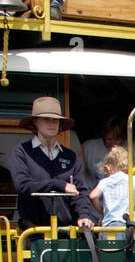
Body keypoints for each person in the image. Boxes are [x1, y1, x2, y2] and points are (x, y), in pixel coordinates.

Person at [9, 97, 96, 230]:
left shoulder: (70, 156)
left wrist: (84, 215)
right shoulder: (21, 152)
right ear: (35, 122)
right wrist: (59, 185)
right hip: (33, 232)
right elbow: (22, 185)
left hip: (68, 233)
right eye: (46, 119)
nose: (52, 123)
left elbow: (81, 191)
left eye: (55, 120)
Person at [88, 146, 132, 227]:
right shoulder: (132, 180)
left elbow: (93, 196)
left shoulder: (105, 181)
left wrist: (101, 211)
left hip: (107, 224)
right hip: (125, 223)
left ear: (107, 168)